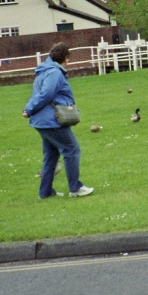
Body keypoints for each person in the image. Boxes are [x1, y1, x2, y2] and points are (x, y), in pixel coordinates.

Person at [22, 42, 94, 199]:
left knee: (51, 155)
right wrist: (29, 109)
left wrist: (30, 109)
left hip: (42, 121)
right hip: (51, 120)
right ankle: (75, 188)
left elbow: (41, 93)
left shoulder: (45, 71)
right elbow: (46, 94)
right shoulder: (55, 73)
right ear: (65, 58)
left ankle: (45, 192)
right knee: (72, 149)